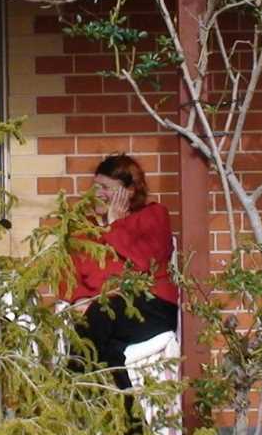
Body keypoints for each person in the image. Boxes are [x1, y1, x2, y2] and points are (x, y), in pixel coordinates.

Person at [65, 154, 178, 393]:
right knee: (109, 354)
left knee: (99, 316)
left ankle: (70, 392)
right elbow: (72, 273)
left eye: (106, 188)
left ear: (130, 190)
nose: (97, 194)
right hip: (103, 315)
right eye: (95, 187)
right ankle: (132, 429)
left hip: (151, 306)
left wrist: (116, 225)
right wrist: (80, 299)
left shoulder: (154, 215)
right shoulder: (84, 230)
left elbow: (145, 264)